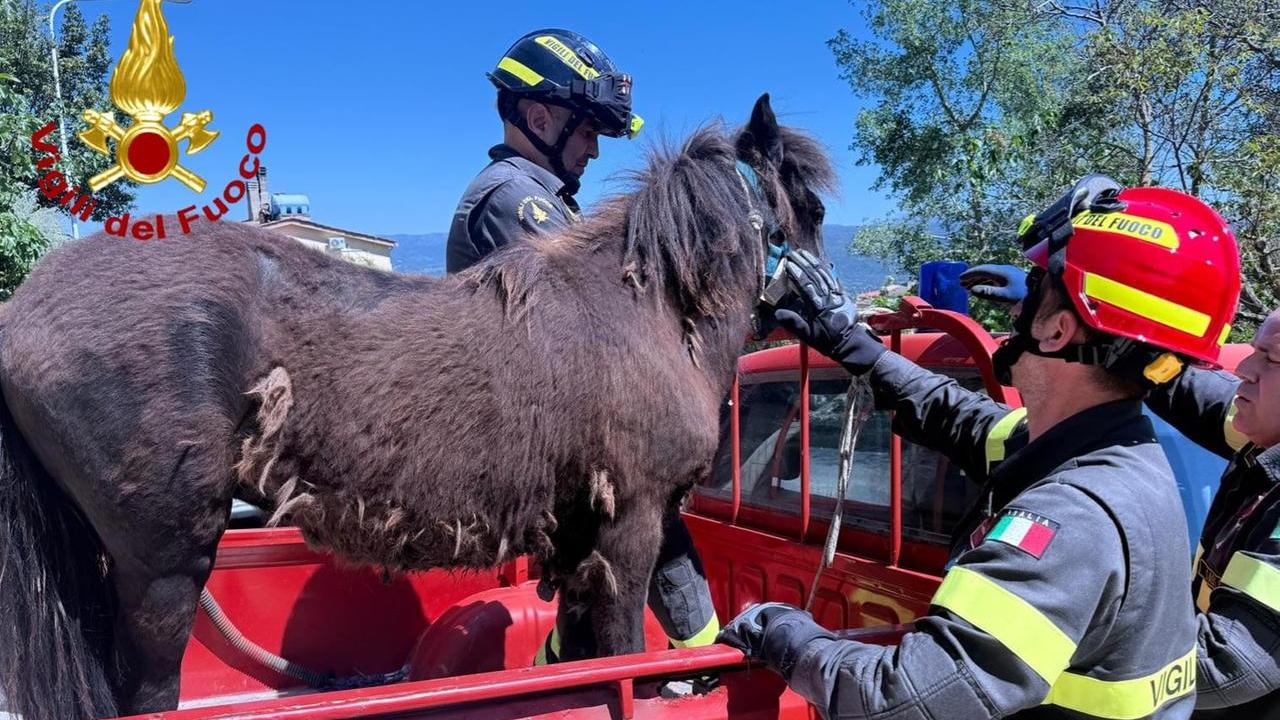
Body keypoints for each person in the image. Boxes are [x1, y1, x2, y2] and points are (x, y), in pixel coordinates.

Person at [718, 176, 1242, 719]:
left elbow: (899, 700)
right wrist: (853, 344)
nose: (1016, 308)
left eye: (1036, 284)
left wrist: (784, 632)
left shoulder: (1073, 513)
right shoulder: (1108, 450)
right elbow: (960, 418)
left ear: (1059, 330)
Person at [446, 29, 719, 664]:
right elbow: (595, 325)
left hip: (560, 435)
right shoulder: (512, 199)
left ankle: (566, 674)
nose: (596, 149)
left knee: (611, 521)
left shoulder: (542, 200)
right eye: (588, 129)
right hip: (528, 438)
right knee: (643, 499)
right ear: (538, 116)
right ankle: (708, 667)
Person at [964, 267, 1280, 716]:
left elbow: (1226, 664)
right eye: (1254, 352)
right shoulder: (1260, 433)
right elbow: (1178, 384)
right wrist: (1071, 298)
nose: (1245, 370)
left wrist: (1045, 640)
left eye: (1273, 359)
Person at [445, 27, 643, 273]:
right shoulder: (515, 194)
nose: (594, 151)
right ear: (539, 121)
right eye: (588, 132)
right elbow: (585, 299)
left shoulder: (537, 191)